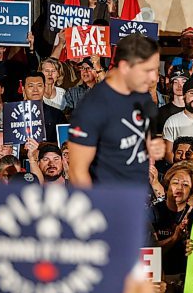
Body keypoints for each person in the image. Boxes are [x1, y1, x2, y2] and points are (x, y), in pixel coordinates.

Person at [68, 34, 165, 187]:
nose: (154, 77)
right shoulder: (92, 108)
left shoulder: (141, 95)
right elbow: (77, 172)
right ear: (126, 67)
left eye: (156, 70)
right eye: (147, 70)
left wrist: (153, 146)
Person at [150, 161, 193, 293]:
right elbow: (150, 252)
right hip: (159, 281)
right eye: (175, 182)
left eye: (185, 185)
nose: (179, 188)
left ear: (191, 192)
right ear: (166, 185)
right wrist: (174, 238)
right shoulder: (153, 212)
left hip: (189, 280)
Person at [0, 33, 37, 102]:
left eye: (0, 47)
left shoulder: (13, 66)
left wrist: (31, 48)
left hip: (11, 106)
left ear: (4, 49)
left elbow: (33, 69)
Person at [22, 71, 67, 143]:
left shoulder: (57, 114)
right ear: (23, 89)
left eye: (39, 85)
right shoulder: (13, 113)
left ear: (44, 87)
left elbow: (64, 143)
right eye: (31, 86)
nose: (35, 90)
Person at [157, 68, 189, 133]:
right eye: (175, 82)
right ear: (171, 85)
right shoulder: (161, 112)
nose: (179, 85)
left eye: (183, 82)